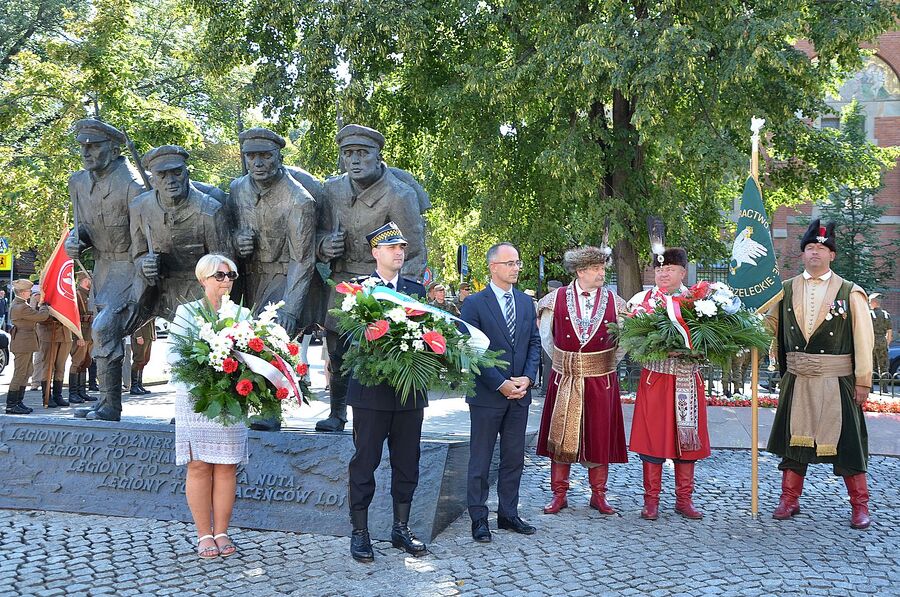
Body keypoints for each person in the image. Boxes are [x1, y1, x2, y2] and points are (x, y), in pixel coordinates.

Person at [315, 124, 428, 432]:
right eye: (347, 153)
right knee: (337, 353)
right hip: (343, 283)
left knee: (379, 352)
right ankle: (337, 412)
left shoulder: (398, 195)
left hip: (382, 286)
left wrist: (404, 298)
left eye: (362, 154)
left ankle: (385, 417)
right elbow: (316, 235)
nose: (354, 160)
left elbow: (415, 251)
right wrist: (324, 245)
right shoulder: (332, 190)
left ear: (379, 156)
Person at [766, 220, 875, 529]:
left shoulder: (850, 292)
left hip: (837, 381)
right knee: (794, 445)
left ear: (832, 255)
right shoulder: (785, 290)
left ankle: (860, 506)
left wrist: (863, 380)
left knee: (848, 445)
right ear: (803, 254)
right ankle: (789, 500)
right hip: (798, 379)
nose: (815, 253)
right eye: (810, 248)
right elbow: (768, 328)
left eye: (822, 249)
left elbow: (863, 339)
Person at [346, 222, 428, 563]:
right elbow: (348, 337)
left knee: (407, 462)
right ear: (375, 252)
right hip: (371, 394)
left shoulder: (414, 291)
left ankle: (400, 528)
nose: (399, 252)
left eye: (403, 247)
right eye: (392, 247)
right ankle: (360, 532)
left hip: (409, 393)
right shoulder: (359, 292)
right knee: (365, 462)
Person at [536, 246, 628, 515]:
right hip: (565, 378)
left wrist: (603, 364)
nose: (602, 273)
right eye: (597, 269)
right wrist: (566, 363)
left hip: (601, 380)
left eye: (602, 268)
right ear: (581, 271)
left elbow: (623, 343)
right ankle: (559, 494)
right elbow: (546, 338)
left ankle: (598, 495)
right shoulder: (554, 300)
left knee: (599, 436)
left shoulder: (616, 302)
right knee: (560, 434)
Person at [169, 254, 249, 559]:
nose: (226, 281)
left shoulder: (242, 314)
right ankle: (204, 534)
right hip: (196, 399)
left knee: (227, 466)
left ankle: (222, 532)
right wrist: (208, 372)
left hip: (232, 400)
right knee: (200, 465)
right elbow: (176, 357)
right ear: (203, 279)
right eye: (220, 275)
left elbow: (255, 356)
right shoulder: (187, 312)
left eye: (231, 276)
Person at [65, 118, 145, 421]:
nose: (86, 152)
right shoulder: (78, 182)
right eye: (83, 146)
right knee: (103, 334)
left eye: (94, 146)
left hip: (132, 266)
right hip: (102, 269)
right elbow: (83, 226)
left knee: (103, 327)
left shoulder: (132, 184)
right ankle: (104, 402)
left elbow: (147, 235)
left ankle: (111, 406)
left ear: (112, 149)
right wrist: (78, 240)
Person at [460, 243, 541, 543]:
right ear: (493, 267)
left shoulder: (524, 302)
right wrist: (500, 383)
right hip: (487, 396)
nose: (517, 267)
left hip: (520, 395)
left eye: (518, 262)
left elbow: (534, 343)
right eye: (510, 263)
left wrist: (527, 379)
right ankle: (478, 518)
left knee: (513, 458)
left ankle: (508, 514)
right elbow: (470, 350)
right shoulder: (474, 304)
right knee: (480, 460)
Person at [627, 246, 710, 521]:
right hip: (656, 379)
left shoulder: (699, 302)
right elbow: (632, 341)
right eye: (659, 269)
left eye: (670, 269)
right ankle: (651, 501)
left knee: (688, 440)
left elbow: (712, 340)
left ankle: (684, 500)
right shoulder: (641, 301)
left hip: (687, 379)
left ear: (682, 272)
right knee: (653, 440)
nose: (663, 273)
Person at [225, 129, 316, 338]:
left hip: (282, 283)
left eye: (266, 156)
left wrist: (289, 309)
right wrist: (237, 239)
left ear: (279, 158)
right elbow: (227, 231)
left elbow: (302, 260)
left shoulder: (299, 200)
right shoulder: (237, 189)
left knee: (270, 351)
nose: (258, 163)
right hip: (245, 283)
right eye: (251, 156)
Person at [6, 279, 50, 414]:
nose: (30, 293)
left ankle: (19, 402)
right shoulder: (21, 307)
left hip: (25, 341)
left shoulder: (21, 304)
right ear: (23, 292)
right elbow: (42, 316)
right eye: (29, 291)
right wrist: (43, 304)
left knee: (27, 372)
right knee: (20, 373)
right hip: (22, 342)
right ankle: (11, 404)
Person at [68, 272, 97, 404]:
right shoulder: (77, 295)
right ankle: (73, 393)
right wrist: (78, 336)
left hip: (89, 334)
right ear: (85, 280)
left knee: (85, 362)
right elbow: (74, 318)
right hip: (80, 335)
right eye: (90, 279)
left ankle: (82, 391)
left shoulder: (89, 294)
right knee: (76, 363)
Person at [36, 309, 74, 408]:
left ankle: (58, 396)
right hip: (50, 335)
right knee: (48, 367)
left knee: (61, 367)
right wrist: (51, 317)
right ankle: (46, 396)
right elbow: (39, 318)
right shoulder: (45, 301)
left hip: (65, 335)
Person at [869, 293, 892, 382]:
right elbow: (889, 332)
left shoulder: (869, 314)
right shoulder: (886, 315)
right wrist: (887, 343)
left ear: (874, 302)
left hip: (872, 341)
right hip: (883, 340)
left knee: (871, 364)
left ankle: (871, 386)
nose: (869, 304)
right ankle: (885, 387)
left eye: (870, 302)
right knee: (884, 364)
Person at [129, 319, 156, 395]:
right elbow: (135, 320)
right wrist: (138, 335)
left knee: (144, 361)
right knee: (138, 360)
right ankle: (134, 386)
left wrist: (153, 333)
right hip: (141, 335)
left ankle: (139, 384)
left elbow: (152, 319)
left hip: (148, 335)